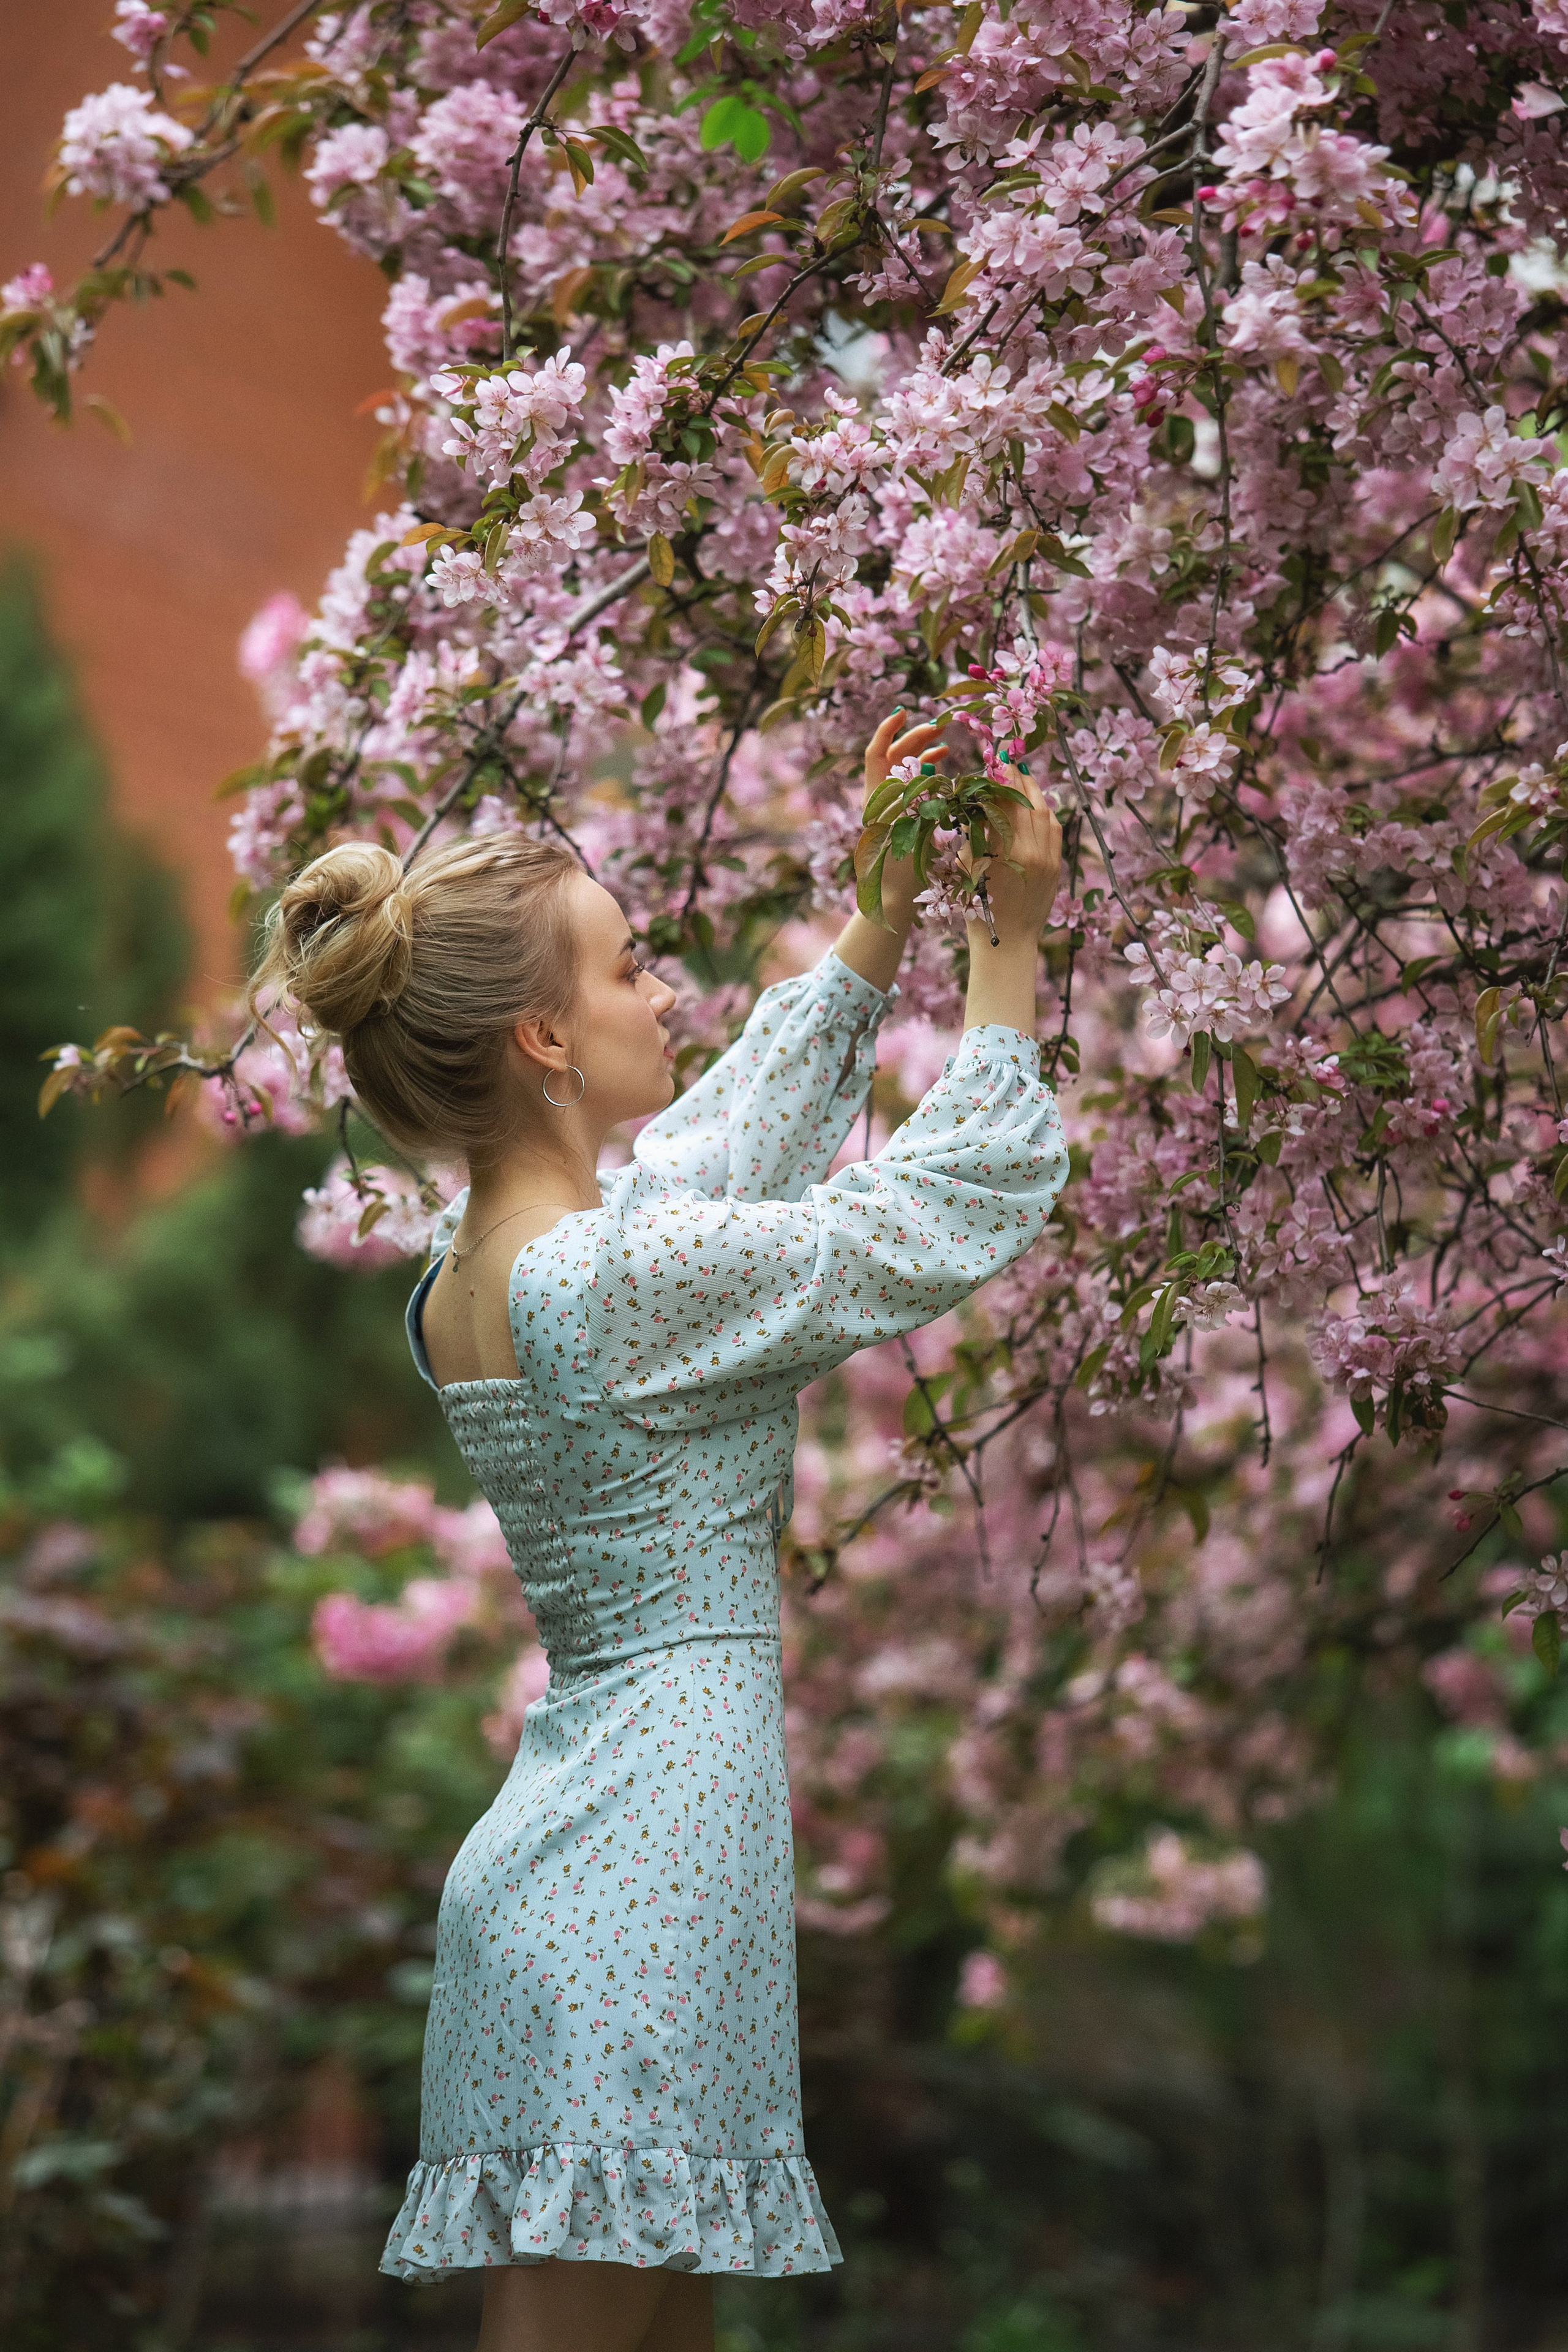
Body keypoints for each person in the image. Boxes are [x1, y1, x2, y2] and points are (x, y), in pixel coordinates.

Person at [252, 714, 1068, 2352]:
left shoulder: (497, 1261)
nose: (666, 994)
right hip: (641, 1865)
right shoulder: (596, 1279)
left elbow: (705, 1161)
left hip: (609, 1842)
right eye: (628, 973)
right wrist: (1011, 953)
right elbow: (916, 1220)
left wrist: (881, 918)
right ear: (546, 1039)